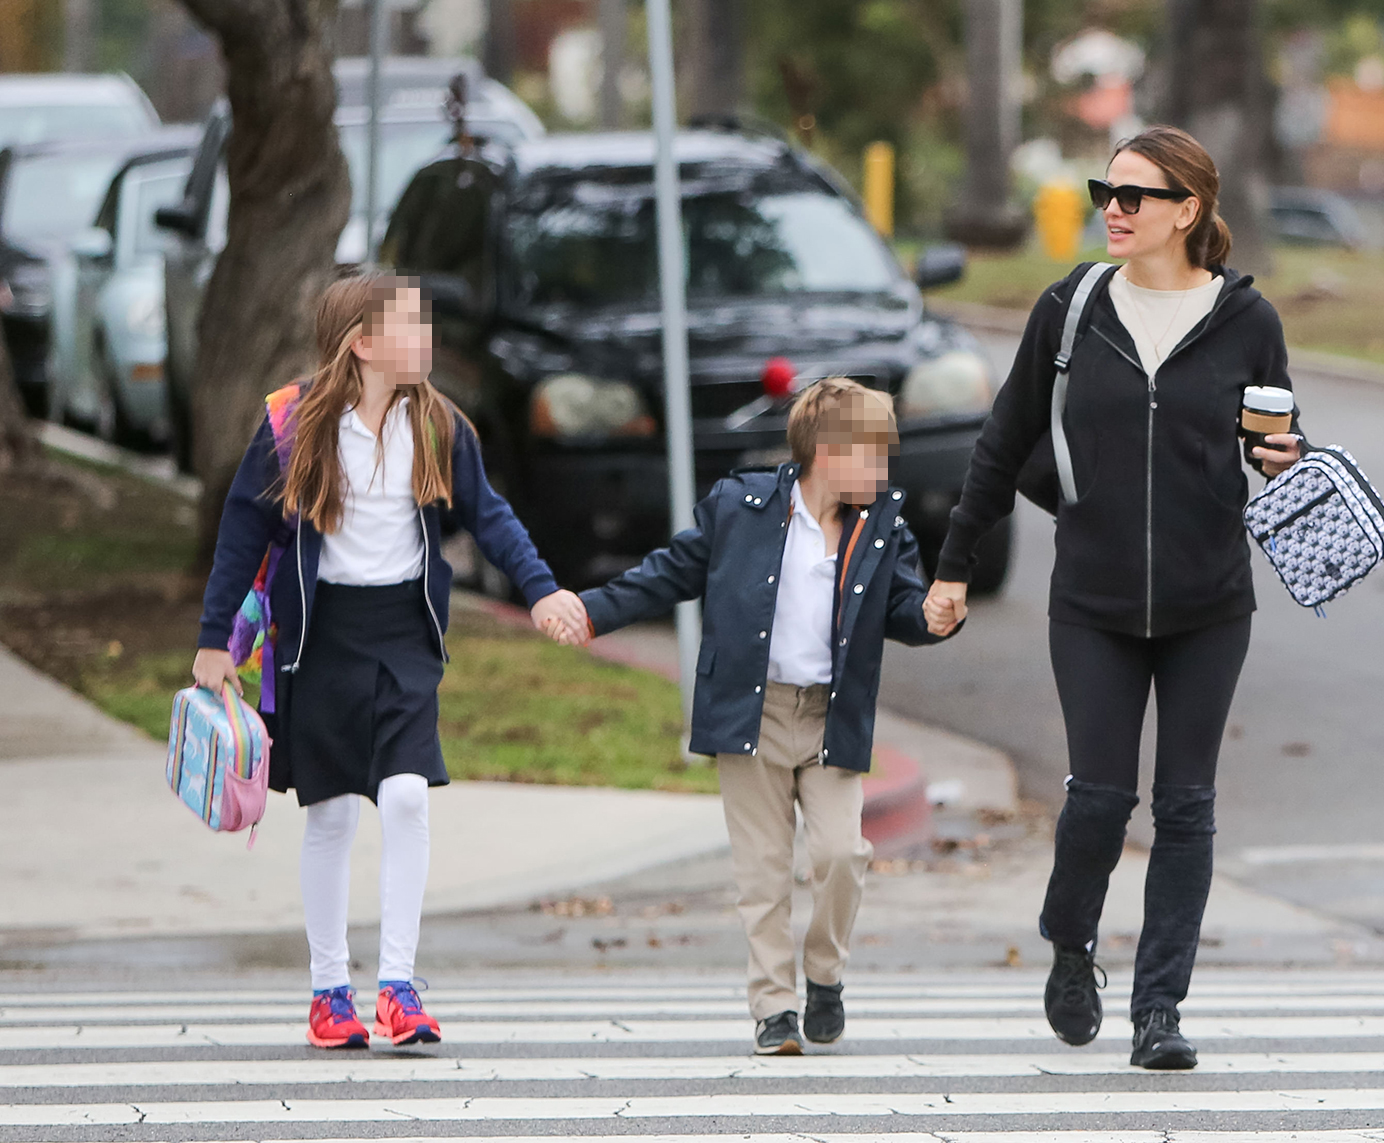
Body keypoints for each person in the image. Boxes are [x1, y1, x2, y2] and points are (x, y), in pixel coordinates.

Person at [925, 126, 1305, 1070]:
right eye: (1107, 191)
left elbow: (1278, 432)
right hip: (1091, 598)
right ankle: (1070, 942)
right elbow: (1002, 440)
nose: (1114, 210)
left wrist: (1281, 453)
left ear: (1189, 211)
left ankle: (1159, 1010)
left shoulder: (1247, 321)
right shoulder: (1071, 307)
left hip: (1210, 602)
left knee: (1186, 805)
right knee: (1099, 796)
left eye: (1135, 195)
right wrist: (954, 561)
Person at [191, 272, 587, 1050]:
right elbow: (244, 530)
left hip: (405, 633)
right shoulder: (293, 424)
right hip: (322, 636)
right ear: (363, 343)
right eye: (412, 325)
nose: (428, 338)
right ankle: (328, 990)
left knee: (407, 796)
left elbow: (490, 515)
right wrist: (213, 640)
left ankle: (399, 988)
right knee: (333, 811)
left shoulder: (437, 423)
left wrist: (540, 589)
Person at [549, 378, 959, 1055]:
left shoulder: (884, 527)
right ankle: (774, 1006)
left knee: (839, 854)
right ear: (828, 452)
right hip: (753, 710)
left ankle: (824, 974)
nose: (885, 473)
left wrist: (936, 617)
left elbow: (907, 612)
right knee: (763, 869)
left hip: (830, 716)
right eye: (873, 456)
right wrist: (592, 610)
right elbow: (667, 573)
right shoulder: (740, 507)